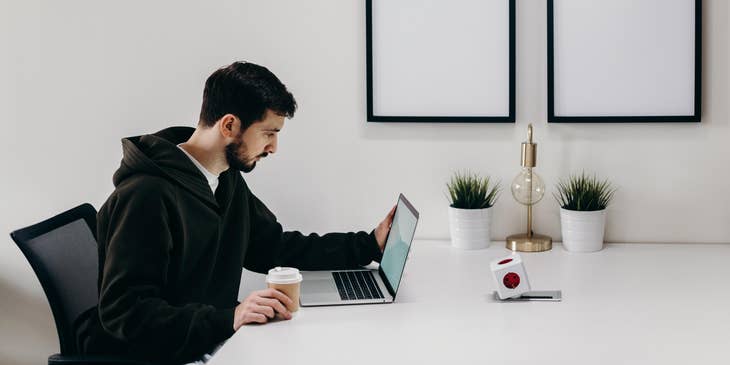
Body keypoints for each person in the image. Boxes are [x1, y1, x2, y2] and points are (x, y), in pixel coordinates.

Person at [75, 61, 395, 364]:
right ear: (229, 125)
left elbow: (273, 246)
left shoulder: (226, 179)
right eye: (269, 133)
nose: (273, 148)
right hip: (158, 355)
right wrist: (230, 318)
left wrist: (368, 244)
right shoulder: (146, 195)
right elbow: (126, 312)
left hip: (209, 343)